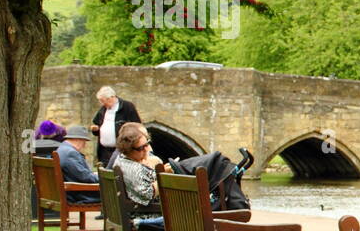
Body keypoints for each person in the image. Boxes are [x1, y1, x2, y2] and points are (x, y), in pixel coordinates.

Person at [115, 122, 250, 211]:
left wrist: (162, 170)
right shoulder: (132, 168)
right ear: (128, 149)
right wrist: (164, 174)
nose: (147, 149)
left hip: (163, 206)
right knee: (217, 167)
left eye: (147, 144)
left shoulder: (124, 162)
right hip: (159, 212)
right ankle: (238, 204)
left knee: (216, 171)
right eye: (141, 148)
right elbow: (148, 194)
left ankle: (222, 171)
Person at [90, 86, 141, 167]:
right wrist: (95, 129)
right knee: (105, 171)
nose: (102, 104)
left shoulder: (127, 107)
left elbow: (137, 127)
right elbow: (97, 125)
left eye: (103, 101)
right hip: (104, 152)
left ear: (111, 98)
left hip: (121, 150)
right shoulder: (103, 109)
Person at [55, 125, 101, 204]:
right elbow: (85, 177)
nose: (84, 145)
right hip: (79, 196)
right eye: (84, 142)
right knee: (114, 194)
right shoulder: (70, 153)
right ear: (78, 140)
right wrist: (101, 177)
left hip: (71, 193)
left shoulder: (61, 149)